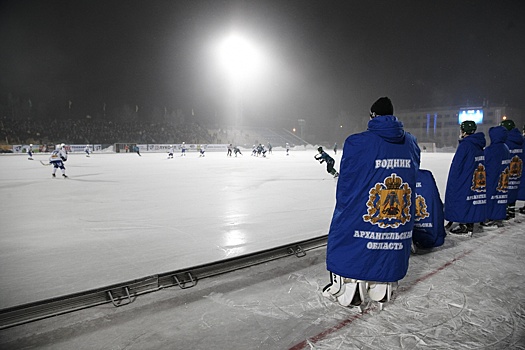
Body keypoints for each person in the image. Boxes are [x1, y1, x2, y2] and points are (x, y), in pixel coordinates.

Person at [322, 97, 420, 308]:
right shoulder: (411, 142)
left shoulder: (357, 142)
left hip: (368, 213)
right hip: (397, 221)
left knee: (348, 233)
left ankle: (350, 281)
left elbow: (348, 184)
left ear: (372, 116)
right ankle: (381, 280)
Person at [444, 120, 486, 235]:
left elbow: (457, 165)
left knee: (461, 198)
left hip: (464, 178)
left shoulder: (465, 145)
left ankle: (464, 225)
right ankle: (469, 224)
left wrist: (453, 181)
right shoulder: (478, 145)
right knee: (471, 200)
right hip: (474, 178)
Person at [482, 126, 510, 228]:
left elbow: (485, 163)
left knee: (491, 197)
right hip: (502, 178)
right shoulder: (505, 148)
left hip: (491, 178)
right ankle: (499, 217)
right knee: (500, 198)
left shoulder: (490, 150)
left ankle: (490, 217)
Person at [500, 119, 523, 220]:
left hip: (507, 170)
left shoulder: (506, 142)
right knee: (514, 188)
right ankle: (511, 208)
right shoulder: (521, 140)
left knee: (506, 188)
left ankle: (506, 209)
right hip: (518, 170)